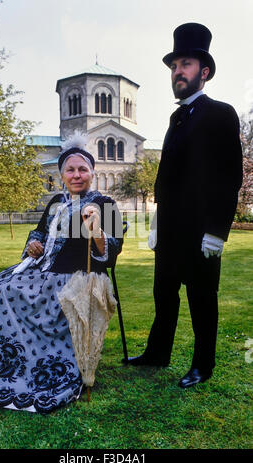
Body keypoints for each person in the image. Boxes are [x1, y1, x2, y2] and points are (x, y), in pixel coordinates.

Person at [0, 133, 123, 413]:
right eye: (70, 170)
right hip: (43, 270)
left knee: (26, 296)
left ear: (93, 174)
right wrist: (33, 245)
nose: (76, 175)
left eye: (82, 169)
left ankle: (44, 369)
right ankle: (8, 364)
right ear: (62, 175)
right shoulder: (57, 202)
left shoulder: (104, 203)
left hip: (78, 276)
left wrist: (95, 229)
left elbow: (110, 253)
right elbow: (38, 232)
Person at [125, 23, 243, 388]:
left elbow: (230, 176)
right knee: (164, 295)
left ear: (203, 72)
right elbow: (167, 177)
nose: (178, 71)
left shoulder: (221, 113)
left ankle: (202, 365)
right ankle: (158, 353)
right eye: (175, 65)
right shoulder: (176, 117)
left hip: (201, 232)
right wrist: (158, 222)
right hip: (171, 230)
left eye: (186, 64)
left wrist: (217, 232)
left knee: (202, 300)